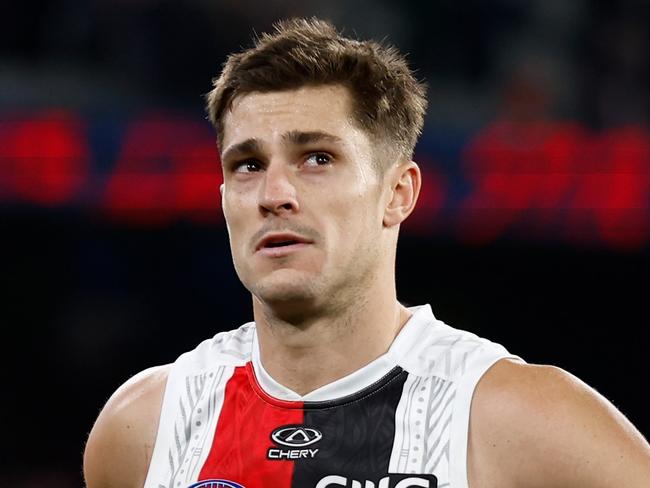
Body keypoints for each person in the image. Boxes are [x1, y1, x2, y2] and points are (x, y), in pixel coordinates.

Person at [83, 18, 650, 488]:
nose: (274, 195)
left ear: (398, 194)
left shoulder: (520, 419)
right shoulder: (143, 427)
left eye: (317, 158)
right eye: (248, 165)